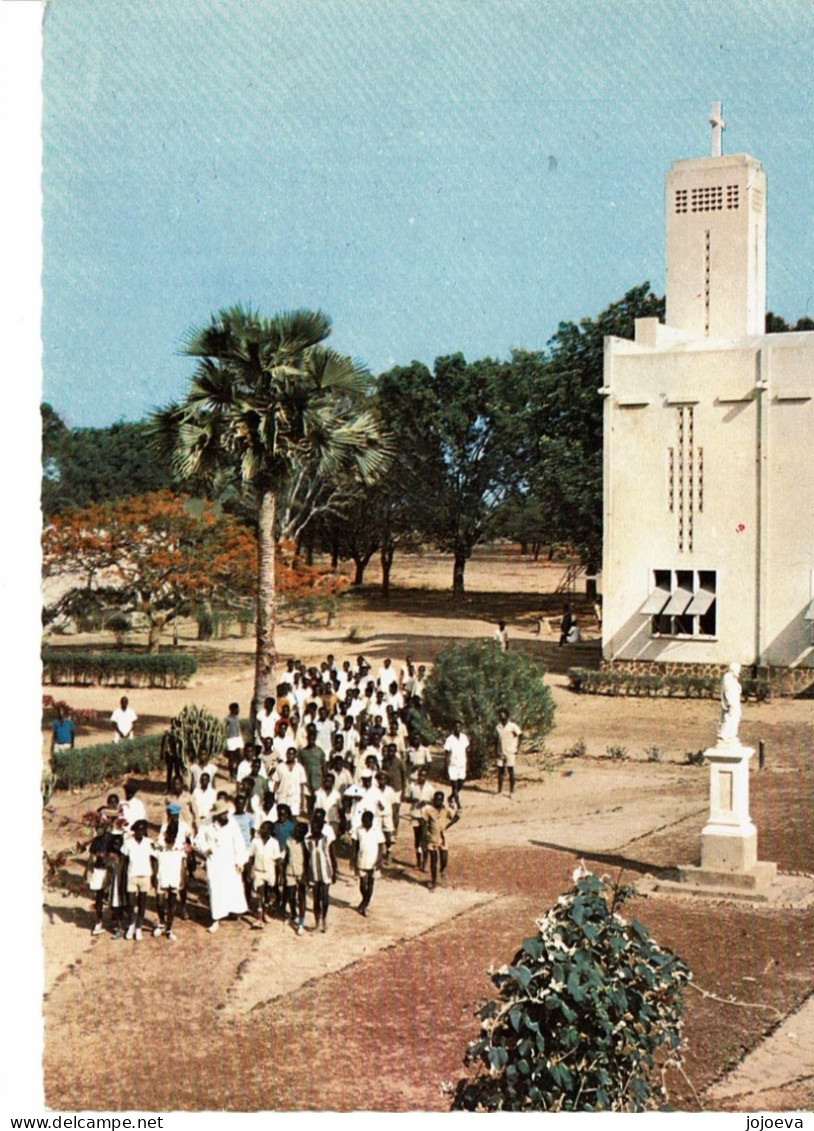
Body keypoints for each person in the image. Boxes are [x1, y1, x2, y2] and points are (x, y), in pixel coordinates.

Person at [194, 799, 249, 933]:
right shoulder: (206, 824)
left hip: (230, 861)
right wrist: (206, 848)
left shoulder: (232, 823)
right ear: (216, 815)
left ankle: (234, 911)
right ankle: (215, 919)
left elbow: (239, 843)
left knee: (233, 887)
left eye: (226, 813)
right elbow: (197, 841)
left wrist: (240, 861)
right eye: (222, 814)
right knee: (216, 889)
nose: (225, 816)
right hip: (215, 862)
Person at [152, 802, 190, 940]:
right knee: (160, 899)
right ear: (168, 815)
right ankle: (161, 922)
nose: (174, 818)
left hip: (176, 862)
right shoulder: (163, 828)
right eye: (171, 815)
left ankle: (169, 927)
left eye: (176, 815)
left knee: (173, 898)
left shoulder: (184, 827)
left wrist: (187, 848)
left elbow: (189, 841)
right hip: (164, 862)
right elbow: (158, 849)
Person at [122, 819, 156, 940]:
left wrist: (154, 876)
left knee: (142, 903)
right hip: (132, 876)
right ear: (134, 831)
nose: (140, 832)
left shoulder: (149, 843)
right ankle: (131, 925)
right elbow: (125, 860)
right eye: (138, 830)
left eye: (143, 830)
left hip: (145, 876)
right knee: (131, 903)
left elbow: (154, 858)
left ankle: (139, 927)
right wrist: (124, 877)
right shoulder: (128, 843)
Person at [421, 791, 460, 891]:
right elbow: (424, 823)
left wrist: (448, 825)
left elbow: (456, 816)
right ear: (433, 799)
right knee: (434, 860)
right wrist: (425, 837)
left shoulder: (446, 809)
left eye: (440, 800)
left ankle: (442, 871)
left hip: (442, 837)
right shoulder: (428, 810)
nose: (438, 801)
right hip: (432, 837)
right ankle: (434, 882)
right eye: (436, 799)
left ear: (442, 800)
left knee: (444, 858)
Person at [304, 807, 335, 933]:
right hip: (314, 873)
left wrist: (334, 872)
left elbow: (332, 855)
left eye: (318, 825)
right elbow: (306, 858)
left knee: (325, 898)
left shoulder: (326, 839)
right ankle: (317, 922)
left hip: (325, 871)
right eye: (313, 825)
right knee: (316, 898)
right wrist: (306, 874)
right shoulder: (308, 841)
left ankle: (324, 919)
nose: (316, 828)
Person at [247, 821, 281, 927]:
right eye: (262, 828)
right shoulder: (255, 842)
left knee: (268, 894)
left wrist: (280, 875)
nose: (262, 830)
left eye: (265, 829)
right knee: (260, 896)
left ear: (270, 831)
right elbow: (251, 856)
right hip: (258, 872)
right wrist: (249, 871)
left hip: (270, 872)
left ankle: (266, 913)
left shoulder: (274, 843)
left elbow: (278, 860)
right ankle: (259, 919)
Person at [352, 809, 385, 916]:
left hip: (373, 860)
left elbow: (381, 846)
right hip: (362, 860)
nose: (365, 824)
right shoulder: (358, 830)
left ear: (371, 821)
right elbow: (355, 845)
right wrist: (353, 858)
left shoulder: (376, 830)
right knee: (362, 884)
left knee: (370, 883)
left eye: (367, 822)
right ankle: (365, 900)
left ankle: (364, 904)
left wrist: (379, 860)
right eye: (363, 821)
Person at [406, 766, 434, 871]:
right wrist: (412, 800)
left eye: (423, 775)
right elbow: (406, 798)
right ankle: (418, 861)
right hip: (415, 814)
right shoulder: (412, 786)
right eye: (420, 775)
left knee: (425, 840)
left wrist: (426, 802)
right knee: (417, 839)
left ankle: (424, 863)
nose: (421, 777)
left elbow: (435, 802)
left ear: (426, 777)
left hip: (425, 816)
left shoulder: (430, 788)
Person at [283, 821, 308, 935]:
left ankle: (301, 923)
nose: (295, 833)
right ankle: (293, 914)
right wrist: (282, 873)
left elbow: (308, 861)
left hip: (301, 874)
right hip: (290, 872)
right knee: (291, 896)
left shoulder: (305, 844)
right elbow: (285, 858)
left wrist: (306, 876)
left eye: (298, 832)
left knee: (301, 898)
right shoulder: (288, 842)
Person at [272, 747, 307, 817]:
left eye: (292, 754)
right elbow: (276, 783)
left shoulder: (299, 768)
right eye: (288, 754)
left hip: (295, 798)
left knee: (293, 819)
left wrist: (302, 800)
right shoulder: (280, 767)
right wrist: (274, 796)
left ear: (295, 755)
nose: (290, 756)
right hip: (282, 797)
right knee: (281, 818)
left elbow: (302, 786)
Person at [495, 708, 522, 797]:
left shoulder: (512, 726)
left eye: (503, 715)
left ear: (507, 716)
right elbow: (496, 740)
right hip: (501, 751)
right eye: (500, 715)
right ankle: (499, 791)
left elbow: (520, 735)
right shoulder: (498, 727)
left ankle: (511, 792)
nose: (501, 717)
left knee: (511, 771)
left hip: (510, 751)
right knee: (500, 772)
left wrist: (517, 747)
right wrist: (496, 751)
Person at [443, 720, 469, 810]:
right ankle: (458, 804)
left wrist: (467, 763)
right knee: (454, 785)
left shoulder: (464, 737)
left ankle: (450, 797)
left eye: (459, 727)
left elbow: (466, 750)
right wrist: (446, 766)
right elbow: (446, 753)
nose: (457, 729)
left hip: (462, 764)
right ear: (453, 728)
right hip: (453, 765)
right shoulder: (449, 740)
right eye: (456, 727)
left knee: (461, 784)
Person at [160, 717, 184, 792]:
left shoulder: (179, 732)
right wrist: (162, 753)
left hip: (176, 754)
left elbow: (181, 743)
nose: (173, 724)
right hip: (169, 753)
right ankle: (168, 787)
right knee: (169, 770)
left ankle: (178, 786)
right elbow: (163, 742)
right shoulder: (168, 731)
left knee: (177, 771)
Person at [223, 702, 244, 780]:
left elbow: (239, 729)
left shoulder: (237, 718)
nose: (238, 710)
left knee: (240, 757)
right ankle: (232, 775)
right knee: (231, 758)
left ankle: (237, 773)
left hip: (237, 739)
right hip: (230, 739)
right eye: (237, 709)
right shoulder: (227, 719)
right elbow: (224, 728)